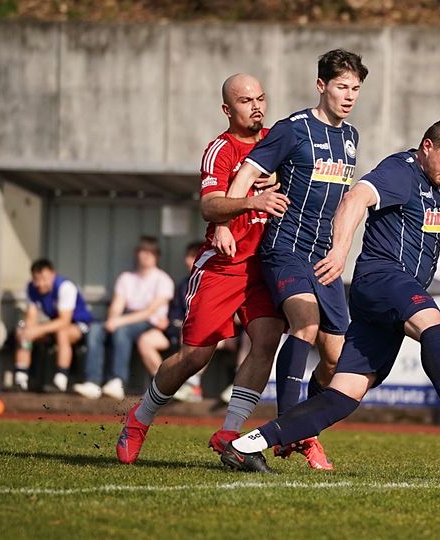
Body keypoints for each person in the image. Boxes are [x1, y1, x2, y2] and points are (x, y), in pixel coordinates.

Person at [221, 118, 440, 472]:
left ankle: (245, 446)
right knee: (437, 328)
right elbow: (355, 198)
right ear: (427, 147)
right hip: (384, 277)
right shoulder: (400, 171)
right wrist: (340, 251)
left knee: (342, 397)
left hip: (387, 297)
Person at [115, 73, 289, 466]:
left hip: (265, 265)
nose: (257, 106)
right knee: (195, 356)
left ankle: (230, 433)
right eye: (246, 101)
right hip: (223, 267)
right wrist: (246, 206)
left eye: (261, 98)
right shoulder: (220, 150)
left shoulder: (276, 141)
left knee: (266, 341)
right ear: (227, 109)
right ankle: (140, 418)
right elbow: (209, 205)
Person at [213, 49, 368, 468]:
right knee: (306, 323)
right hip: (285, 248)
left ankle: (303, 427)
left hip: (324, 257)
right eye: (341, 86)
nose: (349, 95)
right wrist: (226, 221)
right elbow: (247, 173)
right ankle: (288, 429)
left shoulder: (351, 137)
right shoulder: (292, 128)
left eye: (355, 88)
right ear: (321, 86)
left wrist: (340, 249)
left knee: (335, 359)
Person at [73, 236, 175, 400]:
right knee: (95, 329)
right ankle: (92, 382)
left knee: (122, 331)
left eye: (150, 252)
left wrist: (118, 322)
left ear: (157, 256)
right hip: (125, 318)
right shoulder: (126, 278)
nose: (146, 255)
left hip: (150, 322)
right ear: (137, 253)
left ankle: (117, 381)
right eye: (143, 251)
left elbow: (149, 311)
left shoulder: (163, 280)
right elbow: (117, 305)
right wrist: (112, 319)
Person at [136, 240, 204, 401]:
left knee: (193, 333)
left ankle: (193, 386)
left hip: (208, 335)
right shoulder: (184, 285)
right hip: (177, 332)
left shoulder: (215, 283)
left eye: (193, 256)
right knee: (146, 340)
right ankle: (164, 386)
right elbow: (175, 315)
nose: (187, 260)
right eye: (187, 256)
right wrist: (169, 323)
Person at [13, 259, 93, 392]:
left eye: (44, 279)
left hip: (79, 324)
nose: (40, 284)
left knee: (62, 333)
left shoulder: (65, 287)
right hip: (53, 324)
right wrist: (28, 331)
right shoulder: (31, 288)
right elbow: (31, 317)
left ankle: (60, 381)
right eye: (36, 279)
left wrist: (38, 330)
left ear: (53, 274)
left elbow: (64, 321)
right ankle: (21, 379)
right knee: (24, 332)